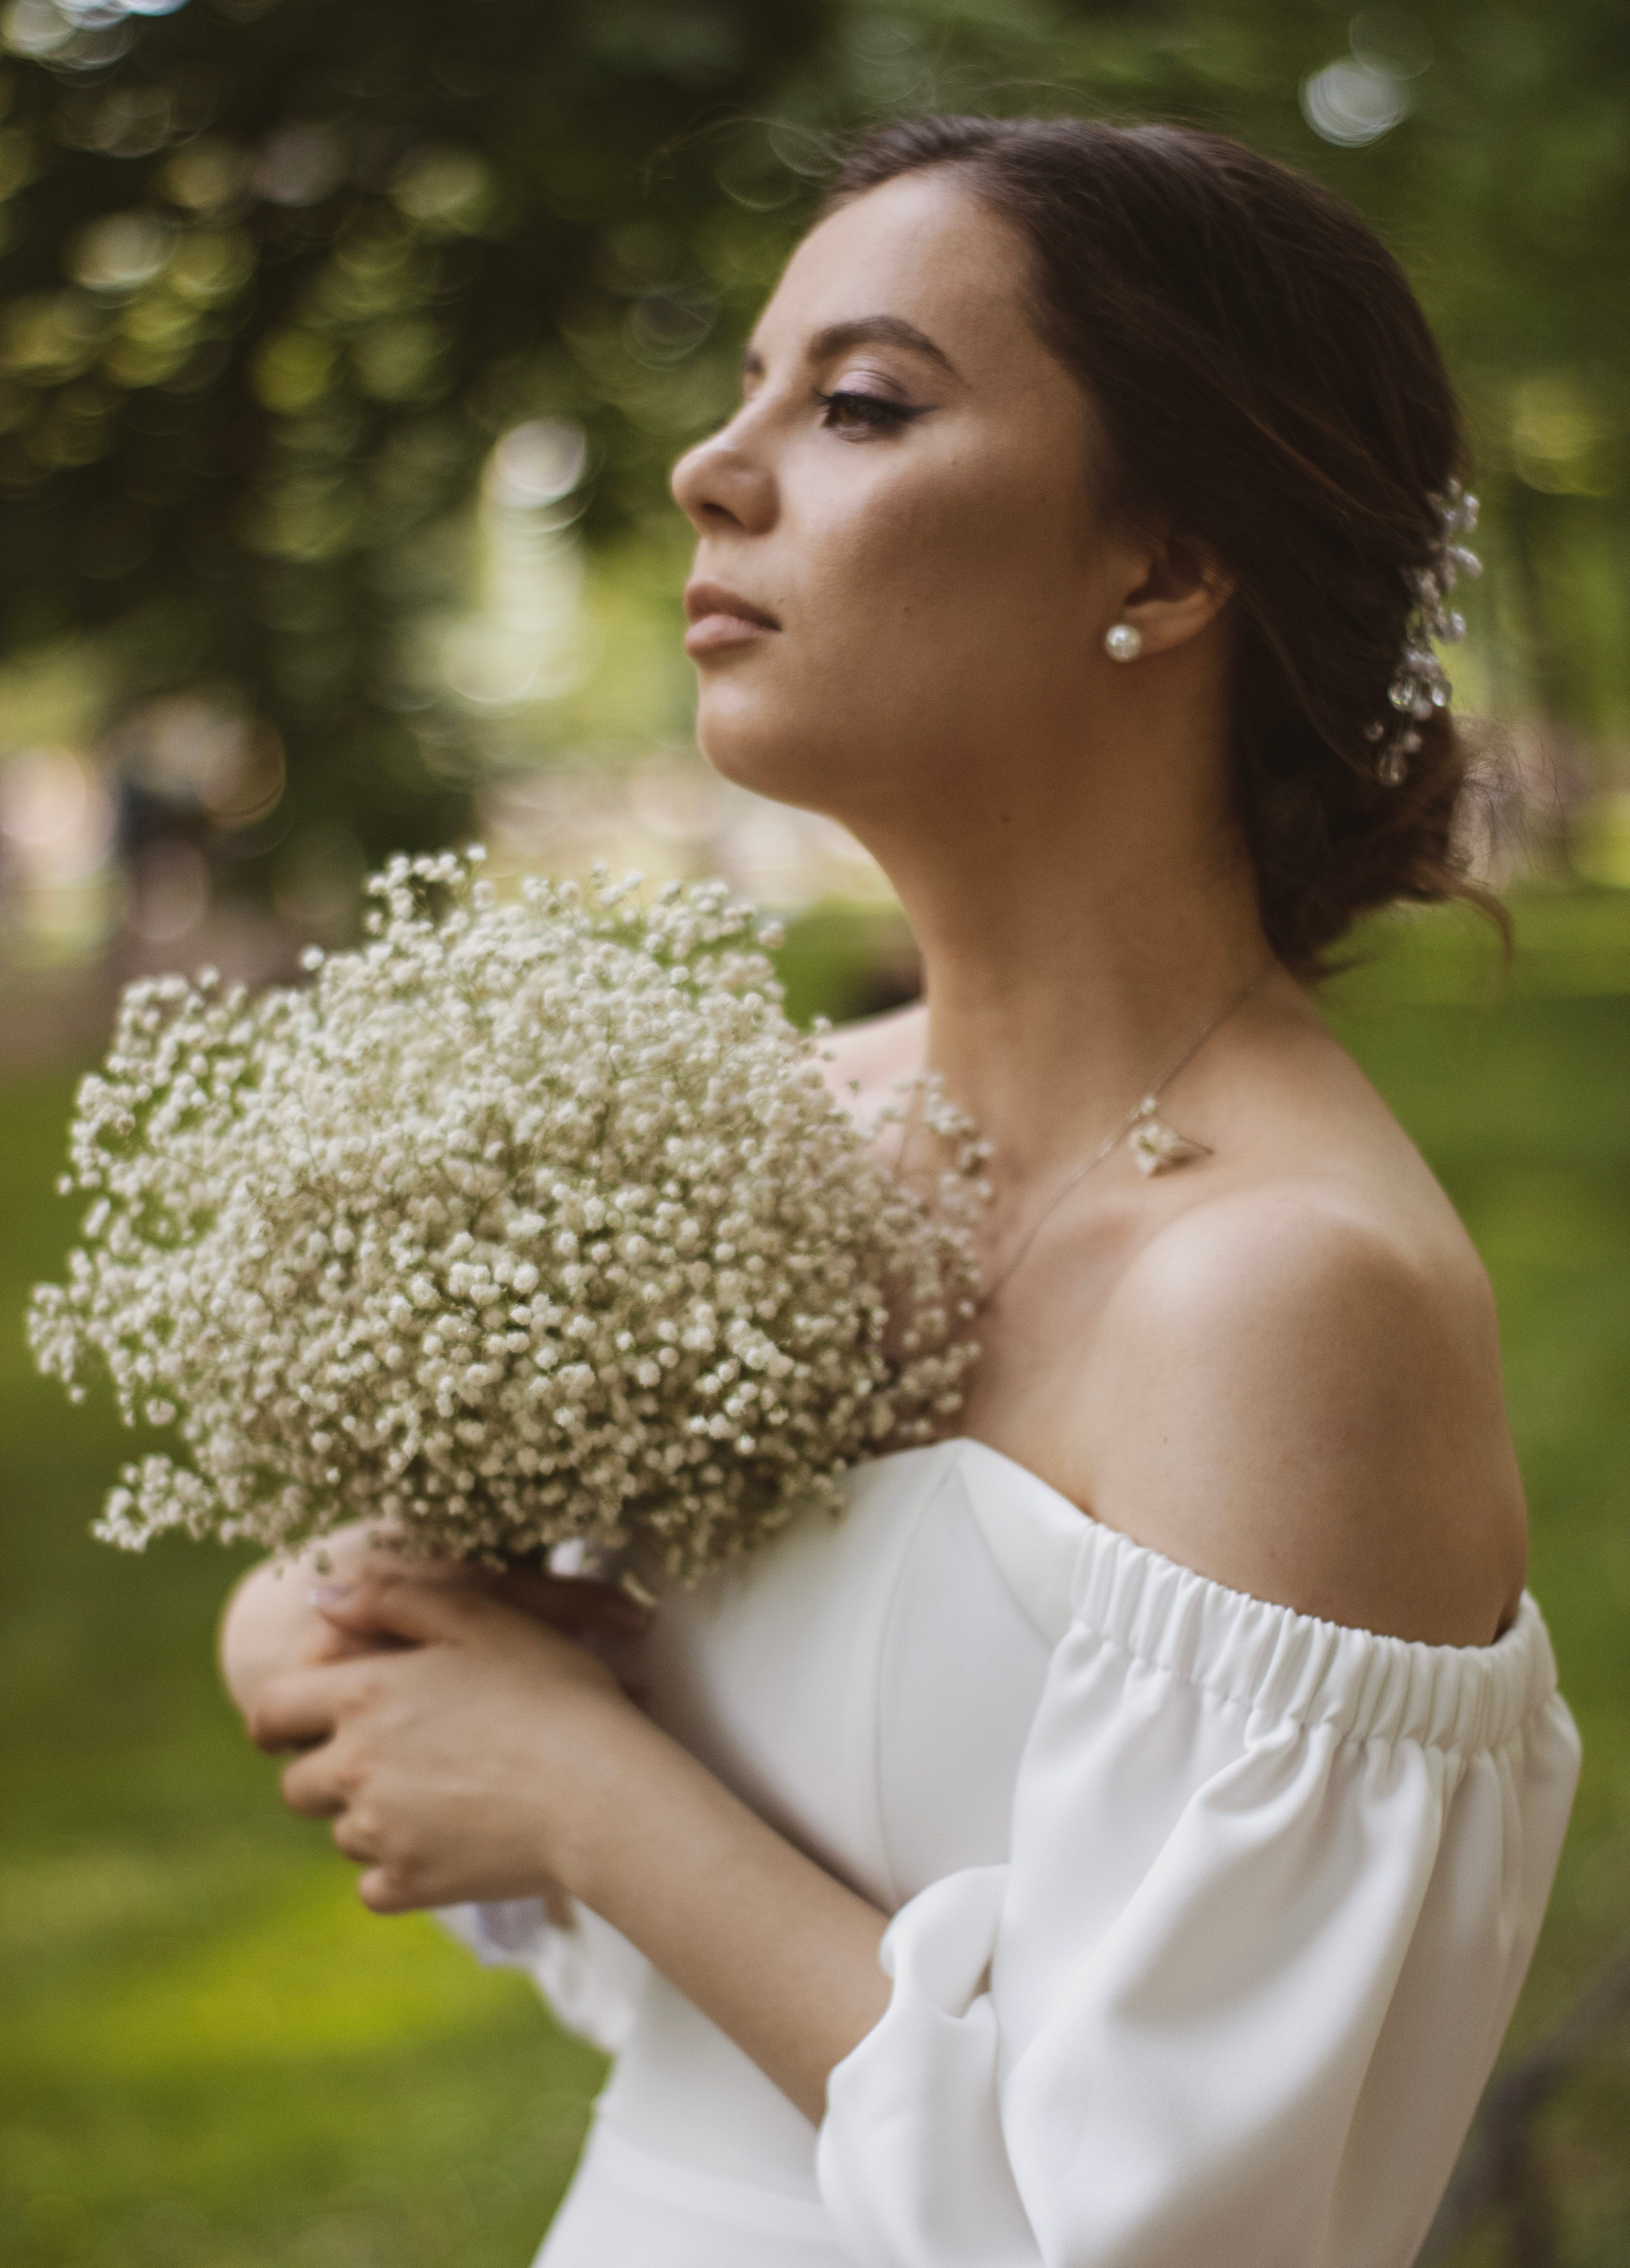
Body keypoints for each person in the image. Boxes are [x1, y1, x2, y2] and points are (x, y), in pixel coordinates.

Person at [220, 116, 1580, 2267]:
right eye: (747, 385)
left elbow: (1144, 2227)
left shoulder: (1287, 1302)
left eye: (858, 402)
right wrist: (368, 1633)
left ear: (1163, 565)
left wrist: (583, 1781)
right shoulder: (768, 1123)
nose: (712, 467)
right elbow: (384, 1650)